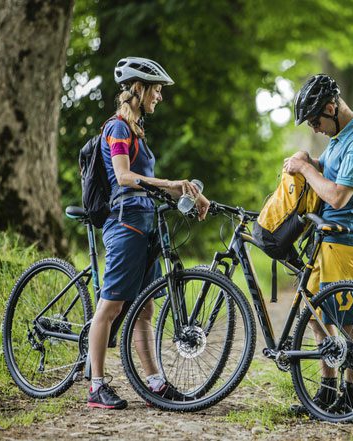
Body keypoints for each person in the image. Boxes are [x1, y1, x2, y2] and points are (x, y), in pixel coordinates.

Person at [87, 56, 210, 409]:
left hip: (144, 224)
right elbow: (124, 177)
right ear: (138, 89)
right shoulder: (117, 129)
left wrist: (195, 195)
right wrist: (170, 182)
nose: (160, 97)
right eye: (156, 90)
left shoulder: (138, 130)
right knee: (110, 306)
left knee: (144, 310)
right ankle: (96, 386)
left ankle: (155, 382)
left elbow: (152, 186)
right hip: (124, 224)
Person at [284, 74, 353, 414]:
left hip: (343, 238)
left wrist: (307, 172)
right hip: (323, 236)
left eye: (315, 120)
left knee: (348, 319)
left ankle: (351, 397)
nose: (315, 128)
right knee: (312, 310)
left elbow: (338, 195)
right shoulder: (341, 137)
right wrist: (308, 160)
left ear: (331, 108)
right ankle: (326, 390)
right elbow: (328, 171)